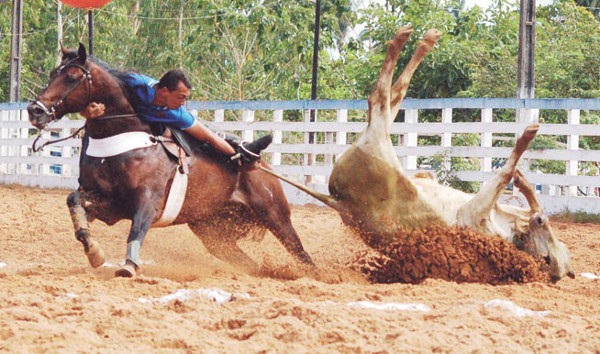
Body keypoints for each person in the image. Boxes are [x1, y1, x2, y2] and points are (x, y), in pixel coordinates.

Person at [80, 69, 269, 164]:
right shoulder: (134, 82)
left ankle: (243, 148)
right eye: (180, 97)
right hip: (116, 135)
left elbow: (208, 136)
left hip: (156, 128)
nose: (183, 102)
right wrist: (86, 112)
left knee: (207, 134)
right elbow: (92, 90)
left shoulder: (177, 113)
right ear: (163, 91)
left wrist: (235, 156)